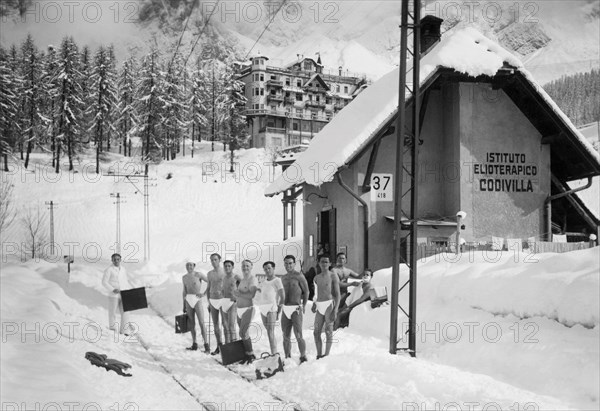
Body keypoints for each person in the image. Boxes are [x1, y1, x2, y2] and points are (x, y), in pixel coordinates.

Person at [281, 255, 309, 363]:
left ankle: (303, 356)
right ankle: (287, 357)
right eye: (286, 263)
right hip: (285, 308)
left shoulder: (299, 276)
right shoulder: (282, 278)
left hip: (296, 308)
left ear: (294, 264)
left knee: (298, 334)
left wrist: (304, 305)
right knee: (285, 335)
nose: (288, 265)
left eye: (290, 263)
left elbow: (306, 291)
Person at [312, 254, 340, 359]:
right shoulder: (316, 278)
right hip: (319, 305)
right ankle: (319, 354)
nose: (324, 264)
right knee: (316, 332)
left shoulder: (333, 276)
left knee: (328, 331)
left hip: (329, 304)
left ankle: (327, 355)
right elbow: (316, 293)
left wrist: (335, 310)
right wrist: (314, 303)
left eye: (326, 262)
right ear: (319, 263)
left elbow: (337, 295)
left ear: (330, 263)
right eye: (322, 261)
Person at [256, 261, 285, 355]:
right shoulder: (263, 282)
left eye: (269, 268)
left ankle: (274, 354)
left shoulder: (277, 280)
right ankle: (274, 352)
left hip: (272, 308)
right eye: (265, 269)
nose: (267, 270)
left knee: (270, 332)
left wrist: (279, 311)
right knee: (269, 332)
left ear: (273, 268)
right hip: (263, 309)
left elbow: (282, 296)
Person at [233, 260, 259, 363]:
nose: (245, 267)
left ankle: (251, 354)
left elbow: (251, 295)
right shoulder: (242, 280)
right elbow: (241, 293)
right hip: (239, 309)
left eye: (247, 266)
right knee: (244, 333)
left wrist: (239, 294)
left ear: (251, 267)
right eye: (243, 266)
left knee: (243, 332)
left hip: (248, 309)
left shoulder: (253, 279)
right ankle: (247, 354)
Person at [102, 253, 134, 335]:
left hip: (123, 294)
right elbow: (104, 282)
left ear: (120, 260)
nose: (116, 261)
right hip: (114, 295)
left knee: (126, 312)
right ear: (112, 260)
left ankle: (124, 330)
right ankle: (112, 328)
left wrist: (128, 291)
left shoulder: (123, 269)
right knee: (112, 312)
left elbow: (125, 281)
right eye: (114, 259)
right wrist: (112, 289)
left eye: (118, 259)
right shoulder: (109, 270)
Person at [182, 261, 209, 353]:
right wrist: (183, 304)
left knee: (201, 322)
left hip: (197, 299)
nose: (189, 266)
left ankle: (206, 345)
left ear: (194, 265)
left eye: (190, 265)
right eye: (187, 265)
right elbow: (184, 291)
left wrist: (204, 294)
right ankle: (194, 343)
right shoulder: (184, 277)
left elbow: (210, 282)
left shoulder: (198, 274)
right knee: (191, 323)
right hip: (188, 300)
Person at [206, 253, 225, 355]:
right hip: (213, 300)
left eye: (215, 259)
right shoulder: (209, 274)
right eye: (212, 260)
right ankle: (219, 345)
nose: (213, 262)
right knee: (215, 325)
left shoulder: (224, 272)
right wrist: (209, 302)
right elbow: (208, 288)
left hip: (222, 300)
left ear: (219, 260)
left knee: (225, 324)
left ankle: (227, 347)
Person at [222, 260, 241, 344]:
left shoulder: (236, 277)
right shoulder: (224, 277)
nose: (227, 267)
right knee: (225, 326)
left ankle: (234, 345)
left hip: (232, 303)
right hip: (224, 302)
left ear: (232, 267)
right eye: (225, 266)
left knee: (231, 325)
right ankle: (227, 345)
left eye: (229, 266)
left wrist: (237, 297)